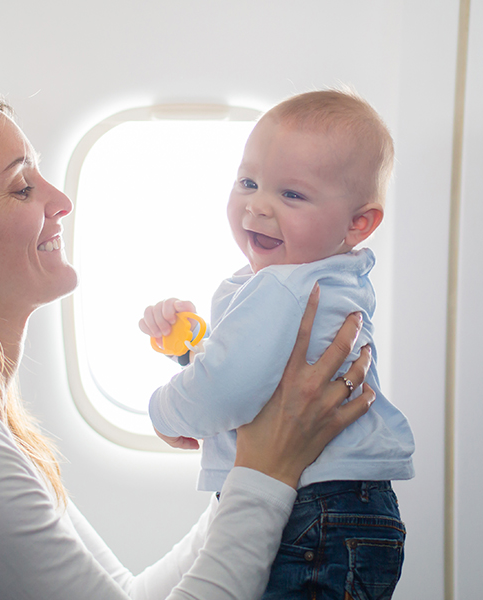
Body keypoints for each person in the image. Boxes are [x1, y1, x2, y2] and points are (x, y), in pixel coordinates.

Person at [0, 87, 376, 600]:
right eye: (22, 186)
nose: (60, 200)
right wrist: (266, 473)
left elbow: (124, 594)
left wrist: (261, 462)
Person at [139, 89, 415, 600]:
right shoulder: (323, 277)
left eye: (292, 195)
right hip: (346, 511)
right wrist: (190, 348)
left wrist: (162, 411)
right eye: (248, 182)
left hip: (314, 513)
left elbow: (226, 392)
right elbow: (263, 373)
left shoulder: (282, 286)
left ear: (359, 223)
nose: (258, 205)